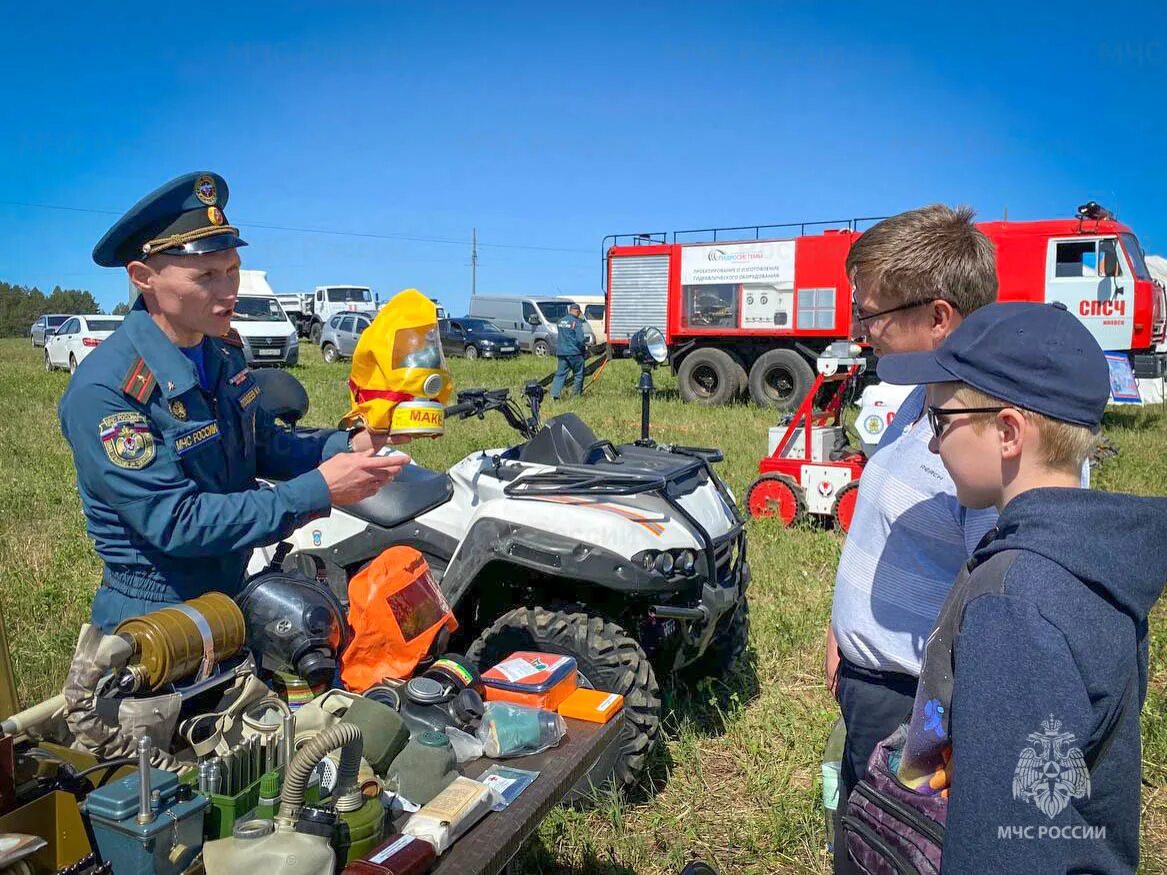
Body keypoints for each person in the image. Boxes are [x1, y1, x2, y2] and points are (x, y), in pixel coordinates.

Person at [874, 301, 1167, 872]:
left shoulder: (1014, 602)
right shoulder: (1092, 557)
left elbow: (1001, 853)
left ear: (1008, 432)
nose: (933, 445)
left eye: (940, 421)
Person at [60, 171, 410, 632]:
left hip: (231, 596)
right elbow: (178, 522)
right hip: (157, 621)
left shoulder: (220, 352)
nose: (229, 292)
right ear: (143, 277)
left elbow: (262, 444)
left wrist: (355, 444)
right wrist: (318, 489)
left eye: (232, 271)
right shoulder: (106, 391)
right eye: (206, 275)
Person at [825, 205, 999, 872]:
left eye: (871, 314)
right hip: (872, 684)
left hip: (917, 710)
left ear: (938, 317)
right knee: (858, 838)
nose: (861, 331)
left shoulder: (983, 430)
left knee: (894, 852)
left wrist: (942, 732)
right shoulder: (917, 394)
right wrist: (844, 629)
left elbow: (994, 599)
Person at [550, 303, 586, 399]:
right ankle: (576, 396)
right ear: (577, 311)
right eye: (579, 312)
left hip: (561, 352)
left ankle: (554, 395)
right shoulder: (577, 322)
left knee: (560, 374)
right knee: (578, 374)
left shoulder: (560, 321)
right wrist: (584, 348)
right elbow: (580, 339)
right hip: (574, 353)